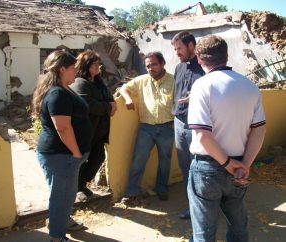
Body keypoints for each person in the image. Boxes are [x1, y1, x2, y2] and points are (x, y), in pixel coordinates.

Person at [187, 35, 266, 242]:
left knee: (204, 233)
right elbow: (259, 129)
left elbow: (203, 136)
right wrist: (244, 165)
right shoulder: (250, 86)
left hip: (207, 169)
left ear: (199, 59)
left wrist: (229, 164)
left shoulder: (202, 86)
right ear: (226, 56)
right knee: (239, 228)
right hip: (239, 166)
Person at [32, 50, 92, 242]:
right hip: (61, 155)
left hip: (64, 155)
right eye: (73, 69)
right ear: (61, 69)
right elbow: (63, 128)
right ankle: (57, 237)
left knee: (65, 195)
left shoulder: (63, 88)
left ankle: (62, 222)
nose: (76, 72)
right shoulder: (57, 93)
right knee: (61, 197)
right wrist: (75, 153)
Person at [119, 51, 175, 204]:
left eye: (154, 64)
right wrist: (128, 99)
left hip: (167, 128)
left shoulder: (174, 80)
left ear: (163, 63)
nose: (151, 68)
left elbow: (180, 102)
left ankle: (161, 188)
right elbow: (123, 88)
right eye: (148, 66)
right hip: (146, 128)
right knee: (139, 160)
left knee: (165, 160)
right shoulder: (142, 80)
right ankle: (132, 191)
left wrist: (176, 120)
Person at [70, 50, 117, 202]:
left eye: (98, 64)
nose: (98, 67)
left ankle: (82, 184)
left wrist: (110, 104)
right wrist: (108, 107)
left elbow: (109, 97)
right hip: (84, 130)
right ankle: (77, 188)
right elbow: (88, 105)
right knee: (82, 159)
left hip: (98, 130)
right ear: (85, 65)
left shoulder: (97, 81)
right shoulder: (79, 82)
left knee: (98, 157)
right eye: (94, 64)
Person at [171, 31, 205, 219]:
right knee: (186, 168)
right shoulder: (178, 68)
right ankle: (193, 207)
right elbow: (175, 95)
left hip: (197, 126)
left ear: (191, 45)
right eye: (175, 49)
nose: (177, 52)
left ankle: (204, 209)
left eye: (180, 48)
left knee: (200, 168)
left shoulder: (205, 68)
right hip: (179, 123)